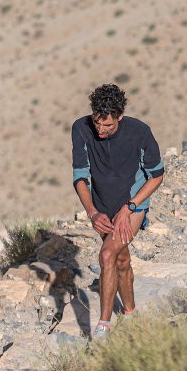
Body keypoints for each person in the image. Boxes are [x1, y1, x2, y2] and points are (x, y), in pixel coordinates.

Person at [71, 83, 165, 338]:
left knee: (107, 255)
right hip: (102, 206)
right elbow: (80, 177)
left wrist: (130, 206)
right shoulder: (81, 128)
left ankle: (103, 326)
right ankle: (131, 314)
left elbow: (156, 176)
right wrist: (92, 212)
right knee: (120, 260)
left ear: (120, 116)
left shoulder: (140, 132)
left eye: (108, 125)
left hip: (133, 205)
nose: (100, 130)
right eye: (97, 122)